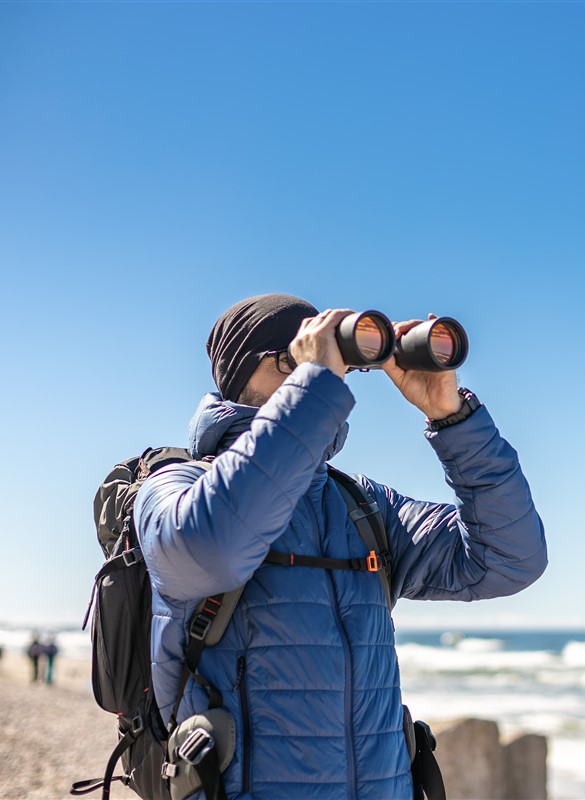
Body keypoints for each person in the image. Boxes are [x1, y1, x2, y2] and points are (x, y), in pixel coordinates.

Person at [134, 294, 547, 799]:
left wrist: (451, 417)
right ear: (243, 372)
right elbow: (216, 547)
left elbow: (510, 559)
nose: (319, 373)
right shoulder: (173, 488)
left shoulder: (361, 505)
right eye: (295, 359)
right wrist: (312, 392)